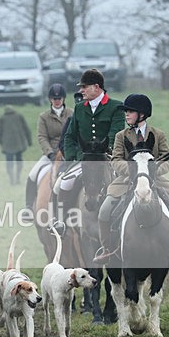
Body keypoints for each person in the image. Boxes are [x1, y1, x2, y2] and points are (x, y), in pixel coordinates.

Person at [93, 93, 169, 267]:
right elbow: (116, 160)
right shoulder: (121, 136)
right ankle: (106, 250)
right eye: (125, 111)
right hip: (126, 181)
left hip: (155, 180)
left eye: (130, 111)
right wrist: (134, 171)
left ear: (142, 114)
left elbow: (167, 158)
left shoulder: (158, 134)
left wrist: (153, 171)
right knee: (104, 212)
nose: (126, 114)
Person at [51, 69, 125, 235]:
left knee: (128, 185)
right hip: (83, 159)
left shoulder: (116, 107)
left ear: (96, 87)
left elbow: (116, 134)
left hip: (107, 158)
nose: (81, 90)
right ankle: (60, 222)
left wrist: (105, 151)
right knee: (61, 184)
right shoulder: (79, 109)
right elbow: (70, 136)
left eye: (84, 87)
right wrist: (73, 157)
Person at [24, 83, 72, 214]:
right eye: (54, 99)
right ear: (50, 99)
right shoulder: (44, 117)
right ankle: (28, 207)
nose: (57, 101)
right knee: (32, 174)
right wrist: (50, 153)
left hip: (68, 154)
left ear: (63, 99)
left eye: (59, 99)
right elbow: (42, 137)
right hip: (51, 153)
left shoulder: (71, 114)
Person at [0, 105, 32, 185]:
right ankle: (18, 178)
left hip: (7, 145)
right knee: (19, 161)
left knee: (9, 162)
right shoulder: (19, 116)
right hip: (19, 144)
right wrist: (29, 141)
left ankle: (12, 180)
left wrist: (1, 142)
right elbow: (26, 129)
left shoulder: (2, 119)